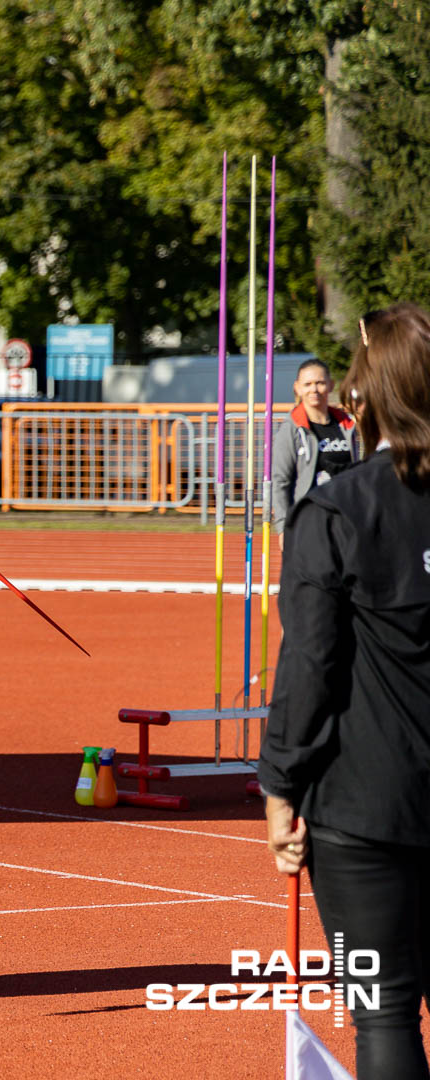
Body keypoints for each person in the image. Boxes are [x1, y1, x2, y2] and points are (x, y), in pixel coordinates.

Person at [260, 302, 430, 1080]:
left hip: (364, 806)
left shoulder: (337, 509)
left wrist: (279, 784)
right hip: (370, 802)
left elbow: (311, 663)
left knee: (383, 1010)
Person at [271, 358, 360, 552]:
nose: (314, 390)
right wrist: (283, 526)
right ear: (297, 388)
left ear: (330, 385)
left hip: (345, 520)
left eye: (320, 383)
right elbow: (280, 482)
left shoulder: (346, 425)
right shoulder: (292, 429)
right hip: (309, 521)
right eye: (308, 384)